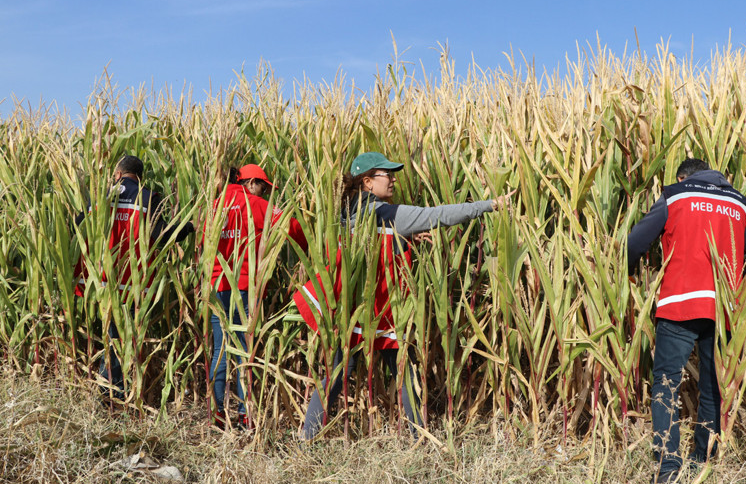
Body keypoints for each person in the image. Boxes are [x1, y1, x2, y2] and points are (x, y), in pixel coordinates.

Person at [294, 151, 514, 440]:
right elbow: (437, 216)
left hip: (349, 308)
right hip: (381, 308)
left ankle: (307, 438)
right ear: (368, 182)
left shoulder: (347, 213)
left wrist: (404, 238)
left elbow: (369, 246)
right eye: (388, 175)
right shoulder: (385, 213)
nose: (394, 179)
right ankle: (417, 435)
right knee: (405, 372)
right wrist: (489, 205)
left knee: (337, 374)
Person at [627, 158, 746, 484]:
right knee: (712, 386)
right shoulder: (738, 204)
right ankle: (701, 462)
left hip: (679, 302)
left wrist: (633, 269)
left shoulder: (676, 196)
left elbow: (635, 242)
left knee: (666, 384)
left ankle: (667, 473)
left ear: (682, 177)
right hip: (723, 308)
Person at [74, 154, 194, 401]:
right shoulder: (146, 197)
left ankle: (110, 389)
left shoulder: (100, 195)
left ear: (118, 174)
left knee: (113, 335)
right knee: (119, 335)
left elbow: (77, 225)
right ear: (139, 176)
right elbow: (162, 236)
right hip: (131, 281)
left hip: (98, 279)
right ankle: (109, 392)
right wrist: (190, 225)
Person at [207, 163, 307, 429]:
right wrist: (308, 252)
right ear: (250, 183)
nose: (263, 193)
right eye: (263, 187)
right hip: (245, 288)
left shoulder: (214, 205)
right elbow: (293, 227)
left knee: (220, 350)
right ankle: (245, 415)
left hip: (217, 286)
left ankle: (216, 415)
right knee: (243, 351)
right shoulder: (257, 205)